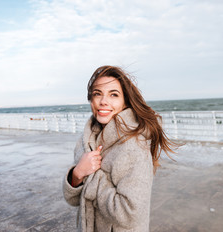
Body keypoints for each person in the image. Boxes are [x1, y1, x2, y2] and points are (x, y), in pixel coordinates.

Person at [63, 65, 176, 231]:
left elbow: (130, 214)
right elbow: (73, 200)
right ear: (91, 100)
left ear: (125, 102)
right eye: (97, 94)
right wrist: (78, 173)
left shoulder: (134, 145)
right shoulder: (85, 141)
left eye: (113, 95)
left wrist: (93, 177)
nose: (103, 101)